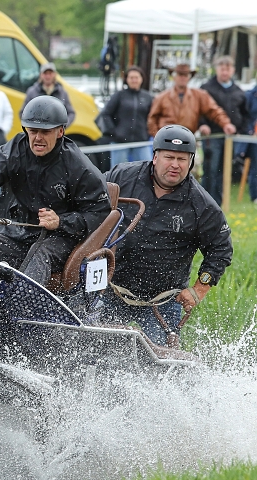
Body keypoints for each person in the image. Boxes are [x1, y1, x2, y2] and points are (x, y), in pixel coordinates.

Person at [0, 96, 110, 287]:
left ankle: (22, 308)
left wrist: (60, 222)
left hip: (60, 238)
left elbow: (99, 212)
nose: (38, 138)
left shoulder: (79, 166)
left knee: (40, 255)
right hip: (17, 233)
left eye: (45, 132)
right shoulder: (13, 150)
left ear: (60, 131)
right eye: (33, 131)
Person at [101, 125, 233, 346]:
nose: (175, 165)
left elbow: (221, 249)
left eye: (182, 159)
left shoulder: (202, 204)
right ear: (155, 157)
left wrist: (198, 290)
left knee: (161, 367)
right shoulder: (120, 177)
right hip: (111, 291)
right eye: (169, 157)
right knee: (90, 349)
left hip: (162, 302)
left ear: (191, 162)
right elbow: (88, 204)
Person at [198, 56, 250, 205]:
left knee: (224, 171)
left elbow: (245, 114)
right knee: (210, 170)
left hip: (230, 138)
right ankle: (205, 202)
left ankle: (218, 204)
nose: (225, 72)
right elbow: (200, 110)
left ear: (232, 70)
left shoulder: (239, 91)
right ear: (217, 69)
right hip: (213, 135)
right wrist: (203, 124)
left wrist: (241, 130)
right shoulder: (207, 88)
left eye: (228, 69)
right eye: (222, 68)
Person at [147, 63, 235, 138]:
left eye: (185, 75)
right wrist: (157, 136)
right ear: (174, 77)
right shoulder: (162, 97)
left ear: (189, 78)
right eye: (179, 75)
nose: (182, 78)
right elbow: (152, 119)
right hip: (166, 138)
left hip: (187, 137)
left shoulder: (199, 95)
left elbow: (213, 110)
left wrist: (226, 124)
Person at [96, 66, 154, 167]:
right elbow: (105, 114)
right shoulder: (119, 96)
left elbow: (154, 116)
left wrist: (149, 132)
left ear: (142, 79)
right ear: (126, 79)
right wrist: (113, 131)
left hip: (141, 142)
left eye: (136, 77)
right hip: (120, 142)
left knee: (146, 171)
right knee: (118, 172)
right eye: (131, 77)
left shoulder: (148, 97)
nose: (134, 80)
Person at [21, 62, 75, 127]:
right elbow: (23, 113)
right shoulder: (32, 92)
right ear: (41, 75)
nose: (48, 76)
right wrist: (33, 127)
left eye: (50, 73)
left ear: (55, 74)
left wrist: (63, 125)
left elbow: (71, 113)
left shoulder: (62, 92)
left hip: (56, 132)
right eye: (45, 73)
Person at [245, 82, 257, 204]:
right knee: (256, 167)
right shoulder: (250, 95)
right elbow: (246, 116)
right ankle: (255, 196)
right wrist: (249, 130)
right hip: (253, 137)